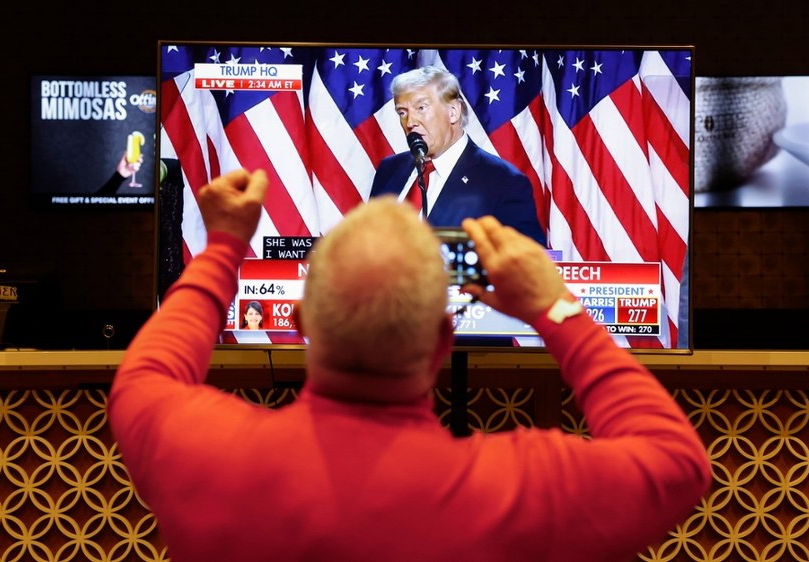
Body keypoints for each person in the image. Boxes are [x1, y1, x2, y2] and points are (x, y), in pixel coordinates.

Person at [108, 168, 711, 562]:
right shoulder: (519, 490)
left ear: (300, 326)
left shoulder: (203, 452)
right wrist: (554, 307)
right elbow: (677, 460)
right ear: (443, 342)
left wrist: (221, 250)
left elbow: (144, 377)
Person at [369, 65, 547, 246]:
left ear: (453, 112)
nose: (410, 122)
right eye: (402, 112)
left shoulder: (503, 182)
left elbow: (528, 262)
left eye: (421, 108)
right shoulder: (389, 170)